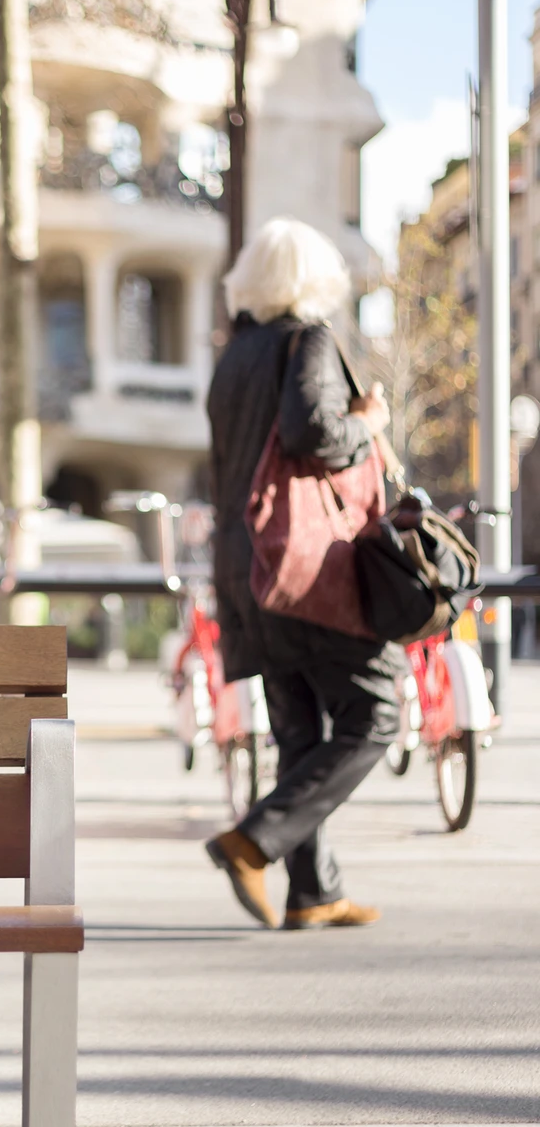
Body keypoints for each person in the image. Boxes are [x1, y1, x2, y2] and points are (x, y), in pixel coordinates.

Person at [204, 217, 402, 931]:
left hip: (244, 570)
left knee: (299, 732)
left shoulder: (234, 356)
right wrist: (369, 423)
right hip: (303, 566)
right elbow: (312, 433)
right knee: (377, 711)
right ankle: (253, 840)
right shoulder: (308, 338)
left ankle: (314, 891)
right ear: (317, 280)